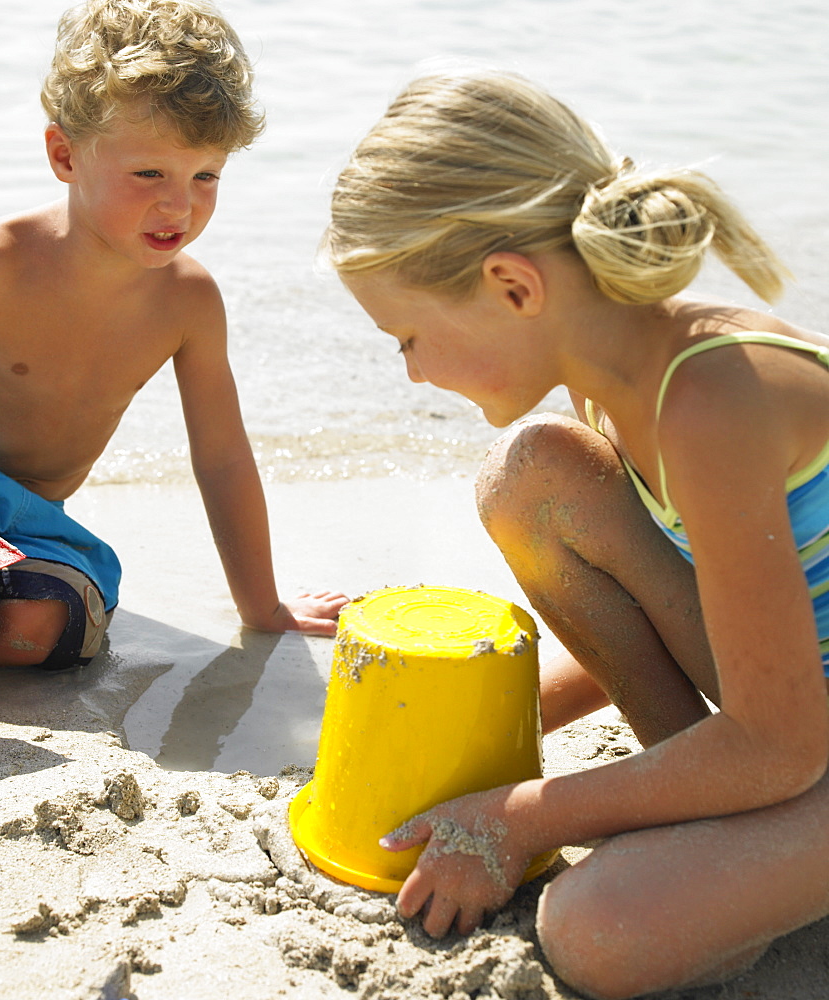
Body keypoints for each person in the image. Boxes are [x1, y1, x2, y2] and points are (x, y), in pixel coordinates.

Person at [324, 69, 829, 999]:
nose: (410, 373)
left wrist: (523, 815)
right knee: (533, 475)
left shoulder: (711, 405)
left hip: (796, 737)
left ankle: (736, 847)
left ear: (513, 286)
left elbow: (781, 744)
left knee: (600, 933)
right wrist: (468, 731)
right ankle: (710, 826)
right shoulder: (614, 377)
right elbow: (675, 611)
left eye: (406, 337)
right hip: (798, 703)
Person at [0, 0, 346, 672]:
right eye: (149, 173)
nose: (180, 205)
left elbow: (220, 457)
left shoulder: (188, 301)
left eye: (205, 176)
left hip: (27, 515)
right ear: (64, 155)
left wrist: (264, 608)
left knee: (47, 629)